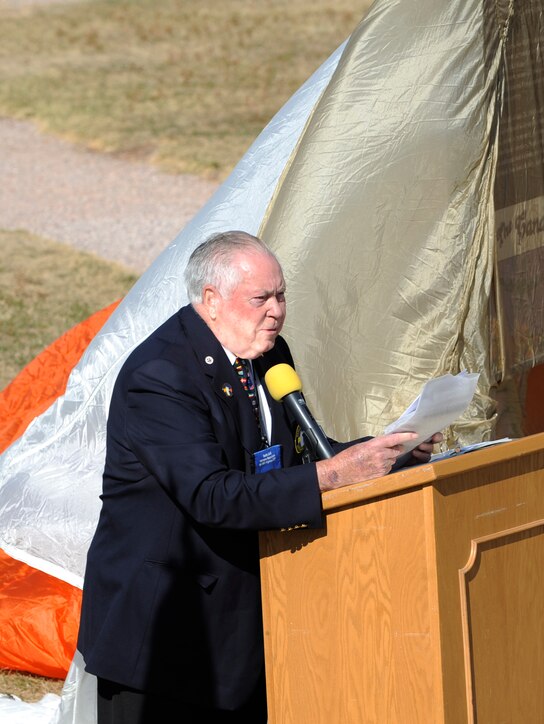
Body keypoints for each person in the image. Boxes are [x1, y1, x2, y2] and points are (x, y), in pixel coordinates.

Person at [77, 230, 439, 723]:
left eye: (282, 295)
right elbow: (213, 496)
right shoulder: (160, 377)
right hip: (165, 637)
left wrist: (385, 453)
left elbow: (301, 456)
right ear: (211, 301)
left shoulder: (269, 354)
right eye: (261, 298)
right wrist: (334, 474)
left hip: (247, 623)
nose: (276, 310)